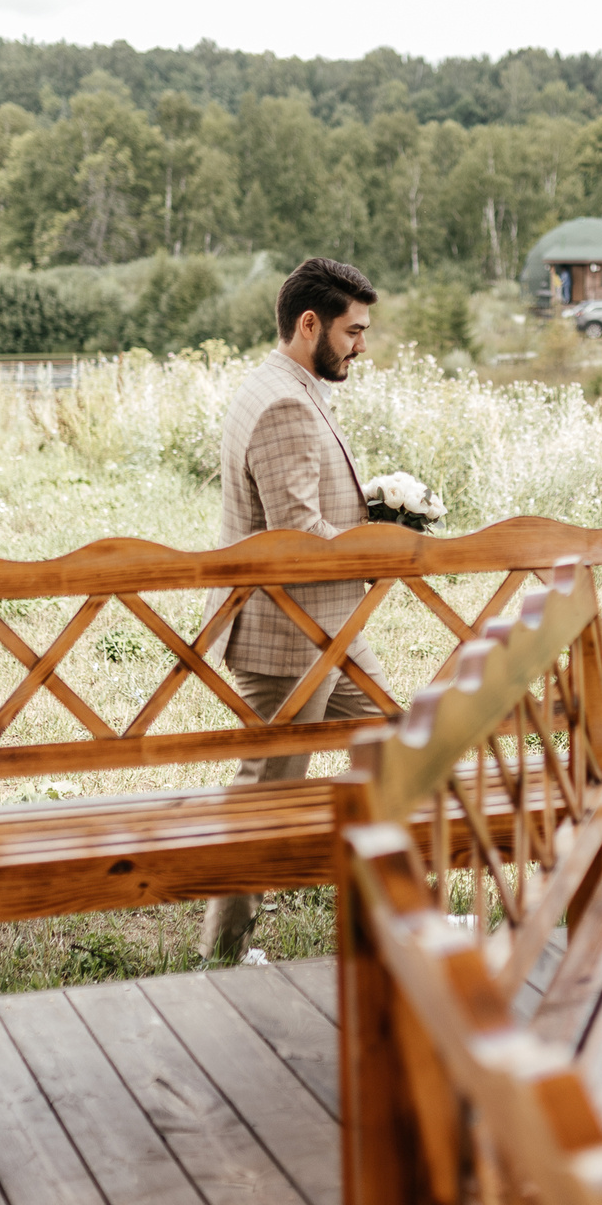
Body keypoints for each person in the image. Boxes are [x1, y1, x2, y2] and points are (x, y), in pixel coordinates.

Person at [202, 256, 389, 962]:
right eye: (353, 331)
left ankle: (387, 915)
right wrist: (381, 540)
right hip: (289, 636)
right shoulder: (282, 400)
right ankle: (222, 954)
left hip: (332, 631)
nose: (361, 346)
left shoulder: (288, 383)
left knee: (396, 748)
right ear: (310, 323)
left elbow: (312, 505)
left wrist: (379, 506)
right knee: (267, 797)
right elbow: (299, 538)